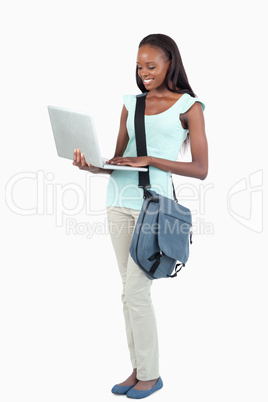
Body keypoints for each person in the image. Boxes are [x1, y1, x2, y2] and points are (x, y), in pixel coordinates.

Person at [73, 33, 208, 399]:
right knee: (128, 294)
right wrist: (92, 167)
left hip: (154, 206)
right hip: (117, 199)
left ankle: (151, 374)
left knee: (136, 292)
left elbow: (200, 168)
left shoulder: (189, 107)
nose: (144, 72)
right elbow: (118, 161)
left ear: (170, 64)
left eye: (151, 65)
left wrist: (150, 160)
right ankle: (138, 369)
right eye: (139, 66)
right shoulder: (130, 104)